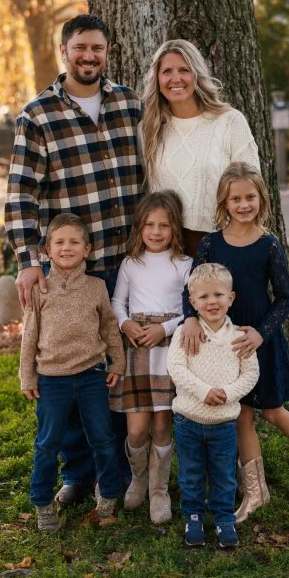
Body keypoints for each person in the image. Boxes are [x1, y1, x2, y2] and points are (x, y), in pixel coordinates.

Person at [5, 14, 144, 505]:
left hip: (128, 263)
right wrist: (27, 260)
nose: (89, 56)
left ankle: (124, 469)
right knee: (63, 368)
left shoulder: (130, 104)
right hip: (69, 269)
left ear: (108, 52)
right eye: (80, 47)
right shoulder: (38, 115)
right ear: (64, 50)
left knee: (114, 368)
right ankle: (78, 473)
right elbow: (21, 193)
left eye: (98, 49)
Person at [181, 162, 289, 521]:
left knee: (272, 410)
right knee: (240, 414)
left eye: (250, 197)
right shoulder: (211, 243)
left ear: (262, 198)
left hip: (260, 342)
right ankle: (256, 493)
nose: (243, 204)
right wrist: (191, 319)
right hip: (225, 348)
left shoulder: (268, 245)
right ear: (224, 202)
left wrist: (261, 332)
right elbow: (191, 286)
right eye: (235, 198)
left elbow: (285, 297)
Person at [19, 213, 126, 531]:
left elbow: (109, 327)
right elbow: (29, 336)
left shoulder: (96, 288)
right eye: (60, 242)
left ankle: (107, 498)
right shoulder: (40, 290)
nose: (67, 248)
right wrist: (28, 376)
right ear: (47, 250)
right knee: (48, 443)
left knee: (103, 439)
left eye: (74, 242)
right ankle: (42, 504)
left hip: (92, 375)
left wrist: (117, 362)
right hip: (52, 379)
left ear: (87, 249)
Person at [110, 191, 192, 524]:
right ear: (139, 227)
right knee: (136, 428)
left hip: (169, 349)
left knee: (162, 424)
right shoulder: (131, 264)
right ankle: (138, 479)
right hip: (137, 349)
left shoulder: (184, 265)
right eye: (149, 225)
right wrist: (126, 323)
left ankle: (159, 491)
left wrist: (166, 329)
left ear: (175, 229)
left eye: (164, 225)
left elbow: (192, 310)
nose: (156, 232)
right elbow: (117, 303)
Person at [167, 263, 259, 549]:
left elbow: (251, 374)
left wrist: (228, 393)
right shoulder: (185, 333)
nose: (212, 302)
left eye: (218, 295)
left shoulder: (239, 337)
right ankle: (193, 516)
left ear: (231, 298)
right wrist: (204, 391)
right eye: (204, 297)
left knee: (224, 474)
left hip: (224, 423)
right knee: (191, 473)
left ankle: (223, 518)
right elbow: (176, 368)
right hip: (188, 421)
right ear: (192, 301)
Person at [141, 38, 260, 258]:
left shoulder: (230, 122)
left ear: (196, 74)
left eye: (184, 70)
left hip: (222, 243)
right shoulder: (149, 129)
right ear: (157, 79)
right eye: (167, 71)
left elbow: (253, 186)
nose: (175, 78)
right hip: (167, 249)